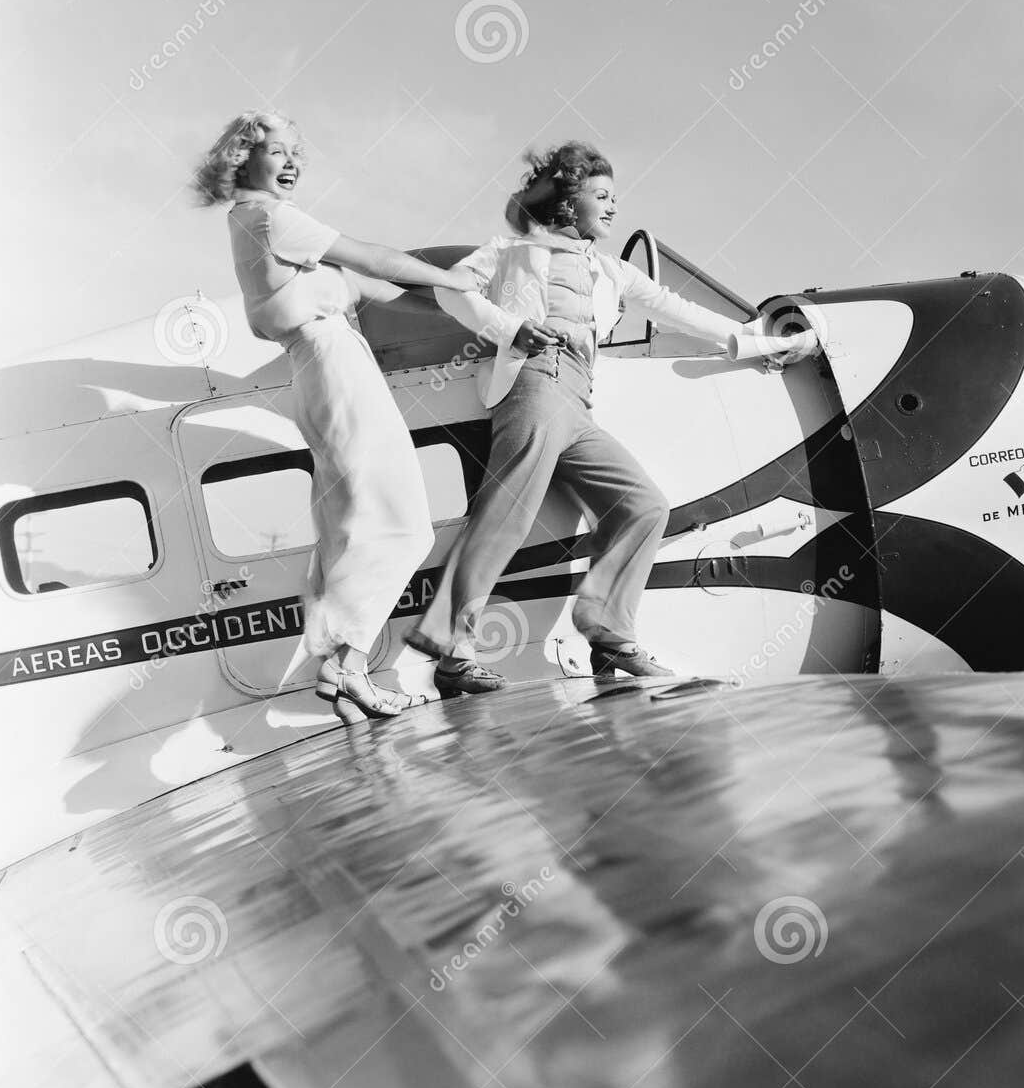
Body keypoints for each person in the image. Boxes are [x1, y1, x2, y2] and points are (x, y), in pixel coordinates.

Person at [405, 141, 813, 694]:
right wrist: (509, 328)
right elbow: (446, 288)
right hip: (536, 382)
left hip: (577, 400)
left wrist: (754, 341)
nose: (614, 206)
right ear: (567, 203)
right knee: (506, 515)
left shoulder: (611, 271)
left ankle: (609, 631)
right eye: (601, 195)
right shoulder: (509, 250)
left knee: (643, 507)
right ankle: (453, 651)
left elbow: (675, 308)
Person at [192, 110, 474, 724]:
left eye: (298, 152)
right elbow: (374, 259)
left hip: (324, 372)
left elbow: (388, 290)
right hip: (337, 369)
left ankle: (348, 675)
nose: (293, 162)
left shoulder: (266, 232)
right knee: (401, 524)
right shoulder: (272, 218)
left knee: (349, 527)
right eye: (278, 151)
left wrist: (479, 303)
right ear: (244, 158)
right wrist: (456, 280)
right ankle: (343, 667)